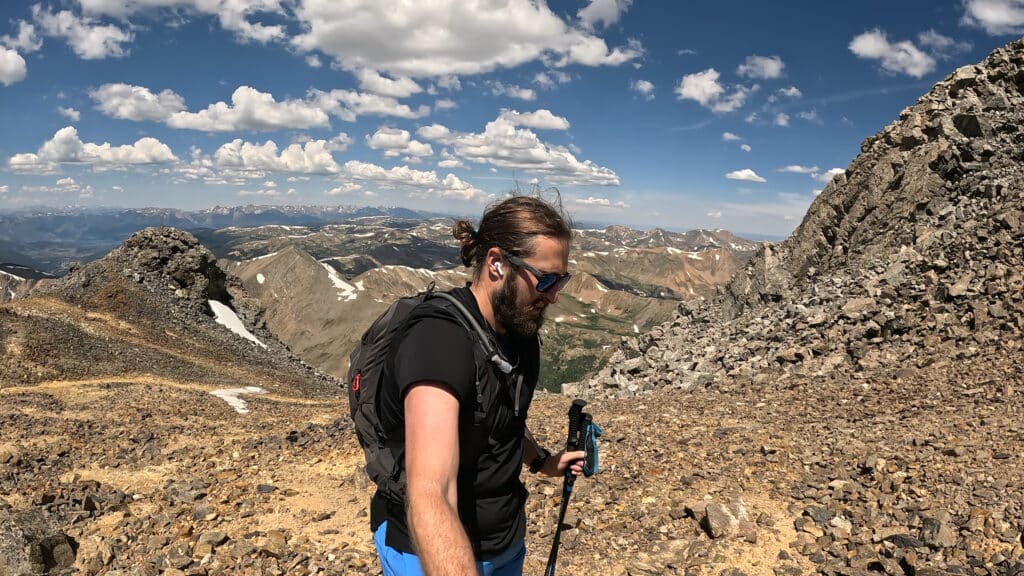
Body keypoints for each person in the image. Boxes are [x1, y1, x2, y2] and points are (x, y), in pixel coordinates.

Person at [371, 195, 586, 576]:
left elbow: (498, 423)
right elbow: (430, 492)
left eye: (561, 280)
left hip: (503, 544)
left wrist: (541, 462)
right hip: (428, 555)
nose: (554, 295)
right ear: (497, 263)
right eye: (547, 279)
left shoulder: (517, 331)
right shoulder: (438, 341)